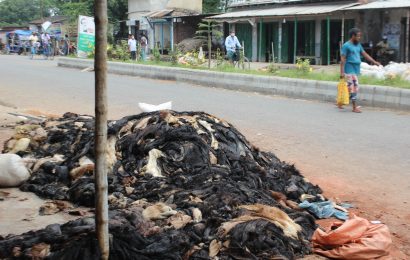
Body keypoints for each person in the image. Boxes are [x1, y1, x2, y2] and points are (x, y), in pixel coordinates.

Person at [340, 28, 381, 113]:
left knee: (349, 87)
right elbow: (343, 59)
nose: (359, 38)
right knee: (354, 87)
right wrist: (342, 72)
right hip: (349, 68)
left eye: (360, 36)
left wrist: (374, 62)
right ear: (353, 36)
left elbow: (365, 54)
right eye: (358, 36)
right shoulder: (346, 45)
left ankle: (340, 102)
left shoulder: (358, 45)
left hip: (356, 69)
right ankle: (354, 107)